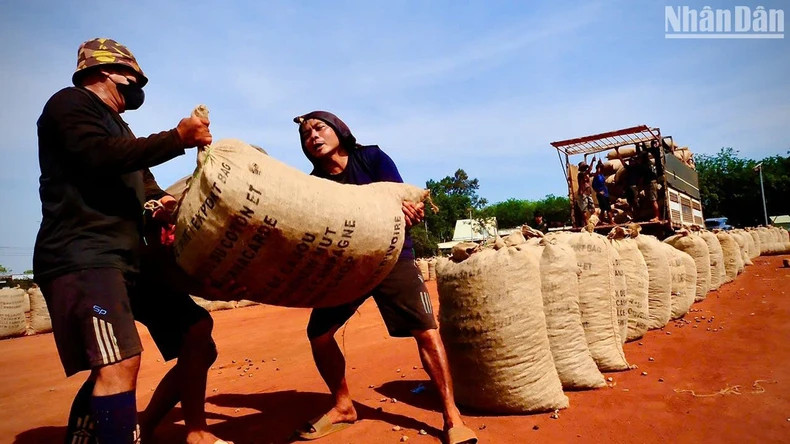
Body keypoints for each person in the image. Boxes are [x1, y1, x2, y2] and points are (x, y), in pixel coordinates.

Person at [34, 38, 229, 444]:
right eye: (134, 77)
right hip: (85, 258)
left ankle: (192, 433)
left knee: (196, 333)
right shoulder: (70, 104)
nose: (139, 87)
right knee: (118, 361)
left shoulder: (121, 130)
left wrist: (162, 205)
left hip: (128, 261)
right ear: (108, 72)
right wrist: (176, 139)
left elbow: (146, 184)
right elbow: (98, 155)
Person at [292, 111, 477, 444]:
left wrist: (411, 211)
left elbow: (402, 202)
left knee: (426, 330)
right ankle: (344, 406)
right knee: (318, 335)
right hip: (349, 267)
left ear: (339, 130)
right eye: (306, 135)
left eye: (319, 128)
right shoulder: (314, 184)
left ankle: (452, 416)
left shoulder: (371, 158)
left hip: (392, 257)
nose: (313, 137)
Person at [591, 159, 614, 224]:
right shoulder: (596, 175)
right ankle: (610, 221)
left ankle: (602, 221)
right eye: (600, 168)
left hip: (605, 194)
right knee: (607, 208)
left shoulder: (602, 175)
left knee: (604, 209)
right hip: (601, 194)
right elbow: (593, 186)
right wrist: (598, 192)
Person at [576, 161, 595, 225]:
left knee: (592, 209)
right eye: (584, 167)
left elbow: (596, 173)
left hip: (588, 193)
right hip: (583, 194)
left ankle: (592, 221)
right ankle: (587, 223)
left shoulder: (587, 174)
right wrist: (592, 161)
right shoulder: (580, 175)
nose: (585, 168)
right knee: (584, 210)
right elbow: (589, 170)